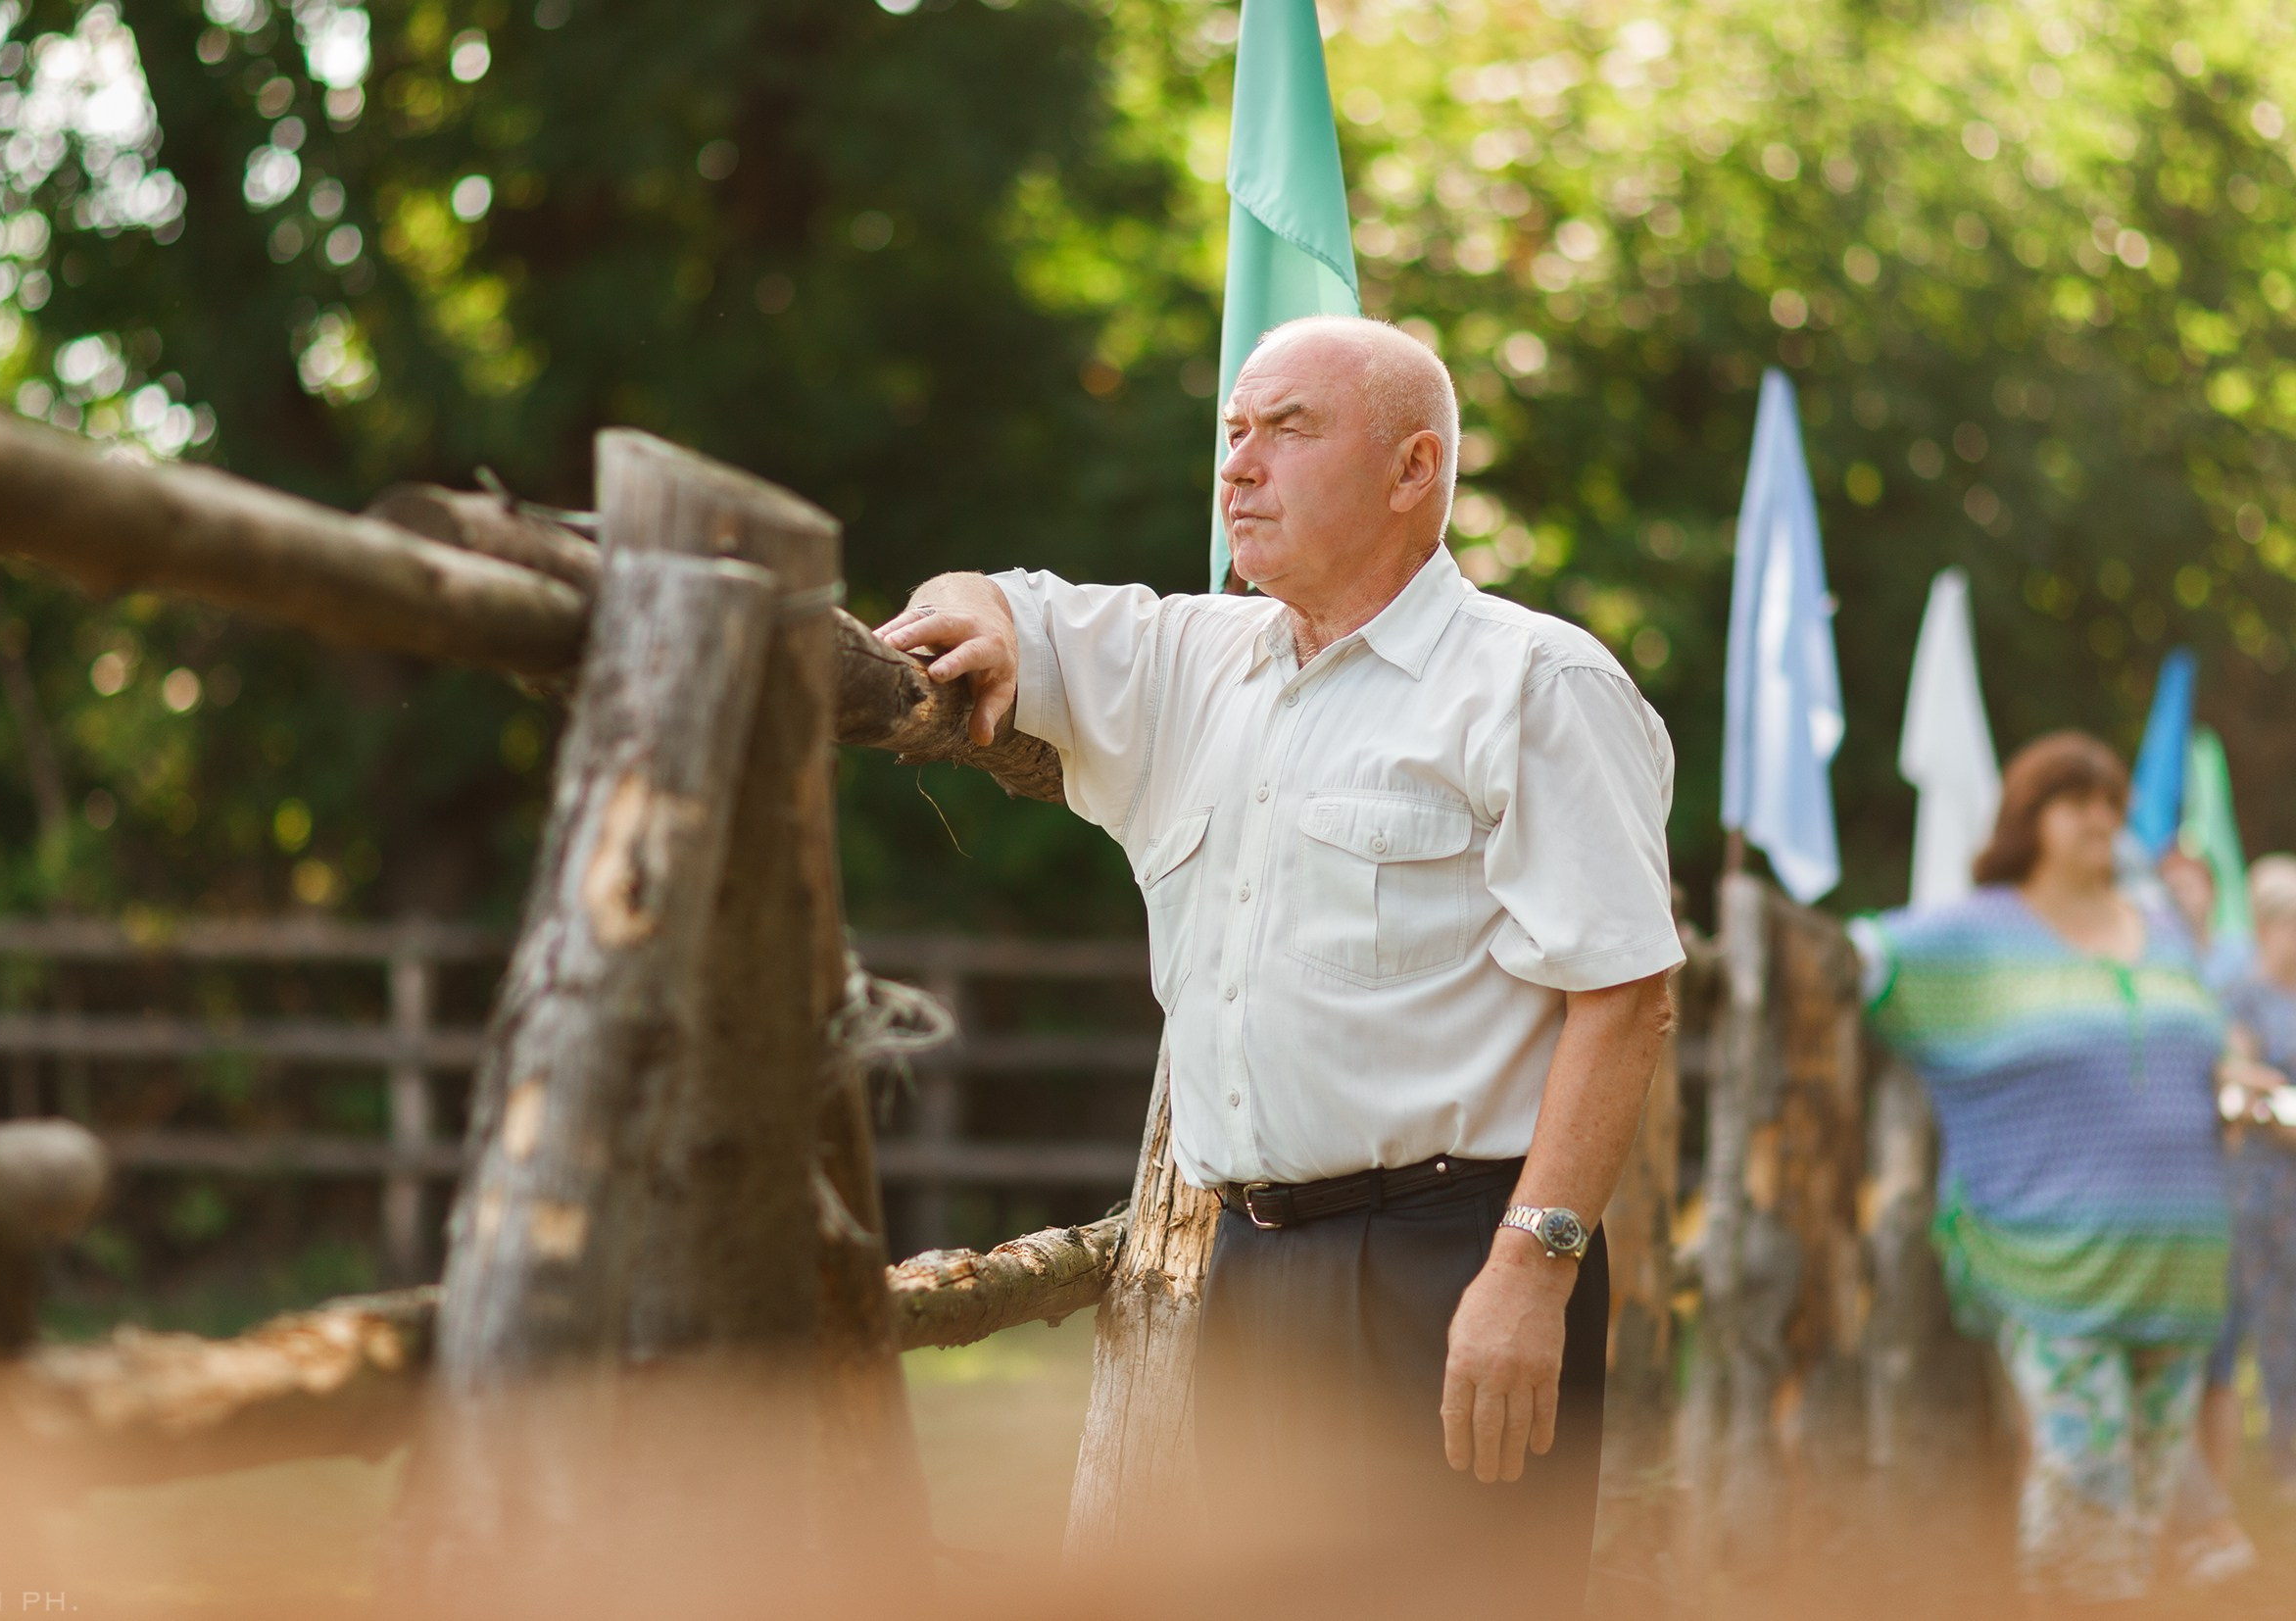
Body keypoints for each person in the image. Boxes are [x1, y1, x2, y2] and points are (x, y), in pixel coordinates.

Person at [878, 315, 1681, 1610]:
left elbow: (1625, 996)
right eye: (1234, 432)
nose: (1238, 465)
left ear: (1414, 469)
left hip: (1455, 1254)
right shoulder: (1193, 660)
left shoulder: (1533, 681)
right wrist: (973, 619)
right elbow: (985, 597)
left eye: (1289, 430)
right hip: (1252, 1265)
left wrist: (1529, 1270)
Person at [1854, 732, 2229, 1603]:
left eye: (2112, 802)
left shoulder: (2163, 930)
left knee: (2145, 1511)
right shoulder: (1975, 932)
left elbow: (2200, 1048)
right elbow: (1858, 958)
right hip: (2053, 1264)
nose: (2102, 817)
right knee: (2081, 1495)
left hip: (2181, 1268)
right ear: (2029, 816)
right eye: (2077, 799)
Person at [2216, 856, 2296, 1494]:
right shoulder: (2241, 999)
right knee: (2275, 1324)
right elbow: (2235, 1091)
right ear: (2267, 926)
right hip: (2264, 1190)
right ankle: (2286, 1460)